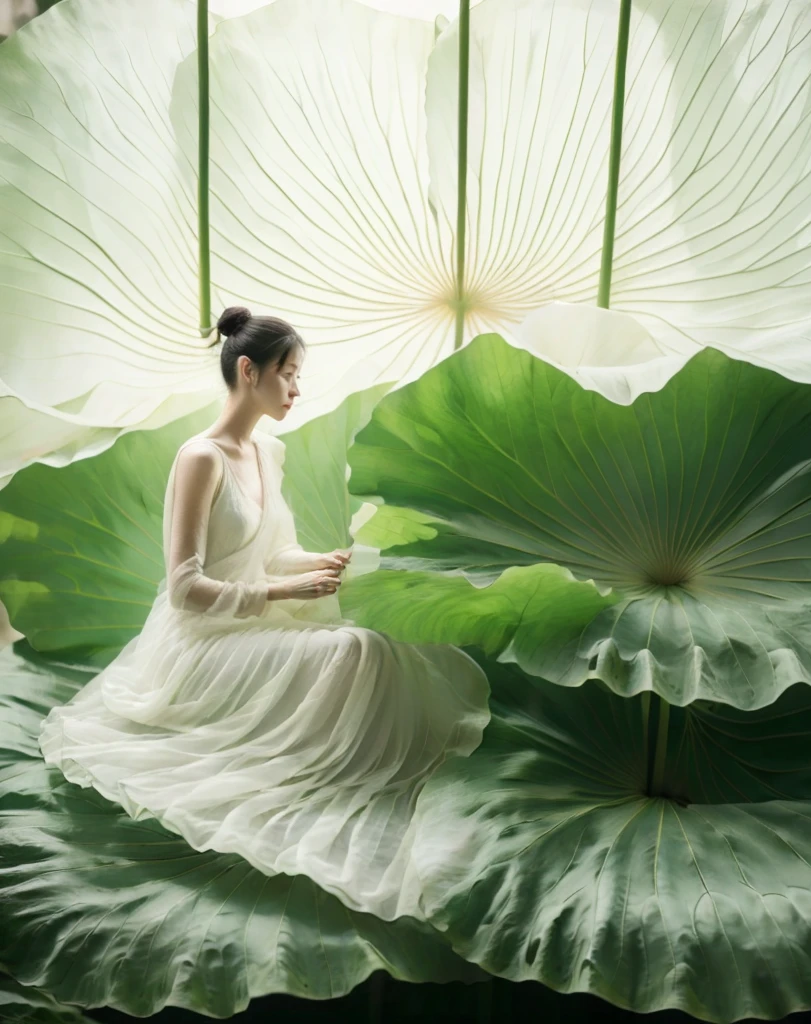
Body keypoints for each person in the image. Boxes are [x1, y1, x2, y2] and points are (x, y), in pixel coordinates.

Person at [38, 306, 490, 922]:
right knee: (349, 650)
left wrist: (319, 562)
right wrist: (280, 596)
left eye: (299, 375)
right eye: (289, 374)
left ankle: (343, 769)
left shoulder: (267, 452)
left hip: (256, 623)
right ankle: (315, 778)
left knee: (377, 638)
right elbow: (183, 587)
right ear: (248, 371)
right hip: (202, 641)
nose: (297, 388)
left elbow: (273, 551)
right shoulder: (200, 458)